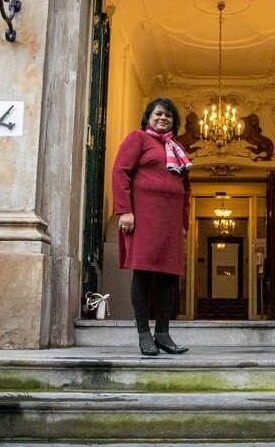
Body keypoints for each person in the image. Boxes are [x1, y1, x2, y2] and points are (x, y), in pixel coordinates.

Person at [112, 98, 192, 356]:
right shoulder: (138, 139)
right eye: (158, 114)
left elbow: (186, 188)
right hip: (144, 218)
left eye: (168, 116)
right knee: (144, 274)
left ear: (174, 122)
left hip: (170, 222)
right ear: (148, 116)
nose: (163, 118)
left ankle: (163, 334)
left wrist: (183, 222)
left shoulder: (177, 148)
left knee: (169, 277)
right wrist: (125, 210)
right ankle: (144, 334)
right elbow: (120, 172)